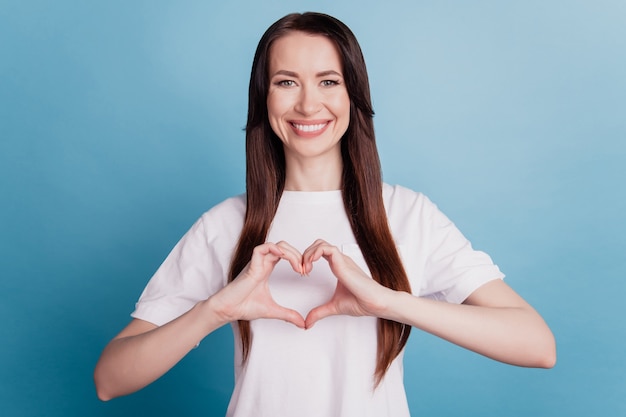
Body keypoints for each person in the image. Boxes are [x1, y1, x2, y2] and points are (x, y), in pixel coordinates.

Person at [94, 11, 556, 416]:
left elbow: (537, 345)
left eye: (328, 81)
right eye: (286, 82)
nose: (308, 104)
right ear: (264, 98)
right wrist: (214, 310)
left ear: (354, 95)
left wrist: (388, 302)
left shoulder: (408, 214)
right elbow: (110, 380)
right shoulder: (225, 224)